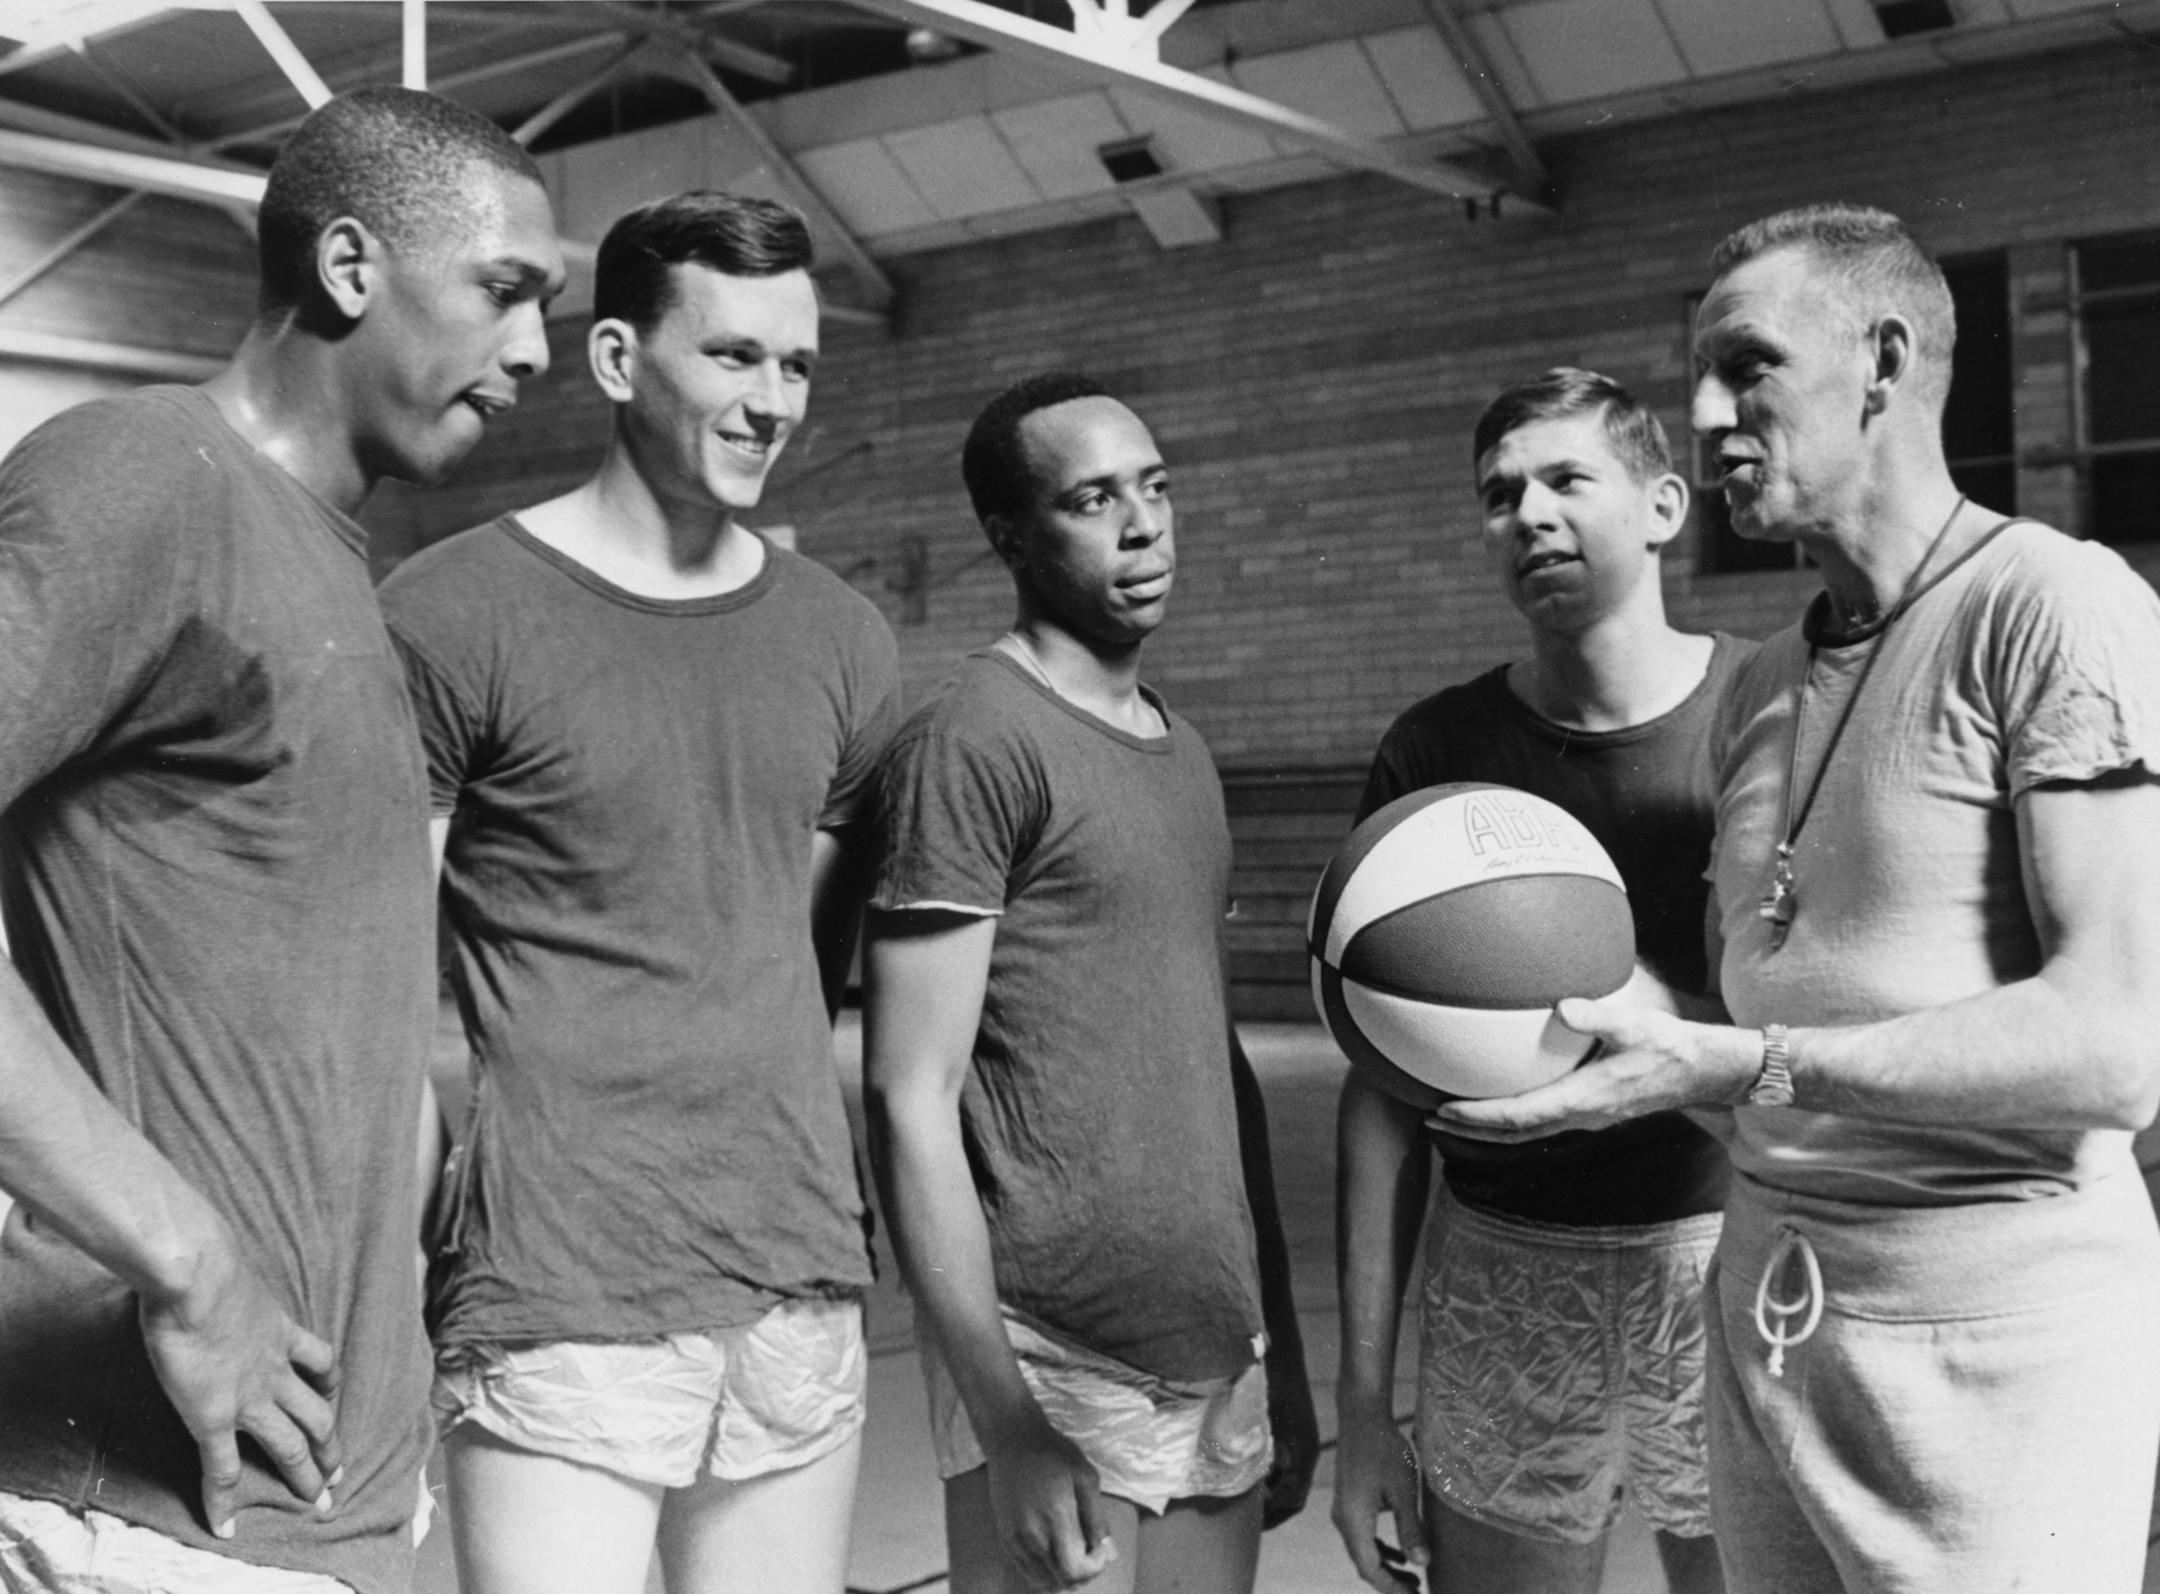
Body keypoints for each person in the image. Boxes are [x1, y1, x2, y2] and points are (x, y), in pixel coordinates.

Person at [1435, 203, 2160, 1592]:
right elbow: (1753, 1034)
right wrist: (1582, 1011)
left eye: (1747, 365)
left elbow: (2117, 1049)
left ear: (1883, 362)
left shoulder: (2052, 603)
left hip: (1991, 1344)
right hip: (1769, 1318)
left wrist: (1745, 1058)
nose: (1705, 415)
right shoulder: (1759, 688)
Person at [0, 87, 561, 1594]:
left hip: (315, 1498)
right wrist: (185, 1252)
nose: (535, 352)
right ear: (353, 267)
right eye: (506, 291)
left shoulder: (329, 571)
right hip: (150, 1516)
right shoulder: (140, 478)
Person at [377, 190, 899, 1594]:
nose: (772, 401)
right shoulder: (452, 611)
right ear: (617, 360)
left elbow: (799, 950)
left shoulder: (845, 638)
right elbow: (364, 971)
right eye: (731, 356)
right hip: (561, 1282)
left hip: (793, 1264)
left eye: (796, 365)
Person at [862, 372, 1319, 1594]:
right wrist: (1006, 1417)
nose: (1142, 525)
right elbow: (911, 1094)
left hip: (1216, 1349)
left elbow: (1211, 1068)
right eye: (1094, 499)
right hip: (1049, 1349)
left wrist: (1278, 1345)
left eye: (1156, 490)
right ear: (1011, 536)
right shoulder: (973, 736)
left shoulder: (1184, 747)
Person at [1333, 368, 1747, 1594]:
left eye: (1568, 478)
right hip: (1507, 1263)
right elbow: (1377, 1091)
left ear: (1666, 504)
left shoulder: (1764, 712)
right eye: (1500, 493)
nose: (1529, 513)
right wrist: (1365, 1406)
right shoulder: (1434, 751)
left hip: (1722, 1249)